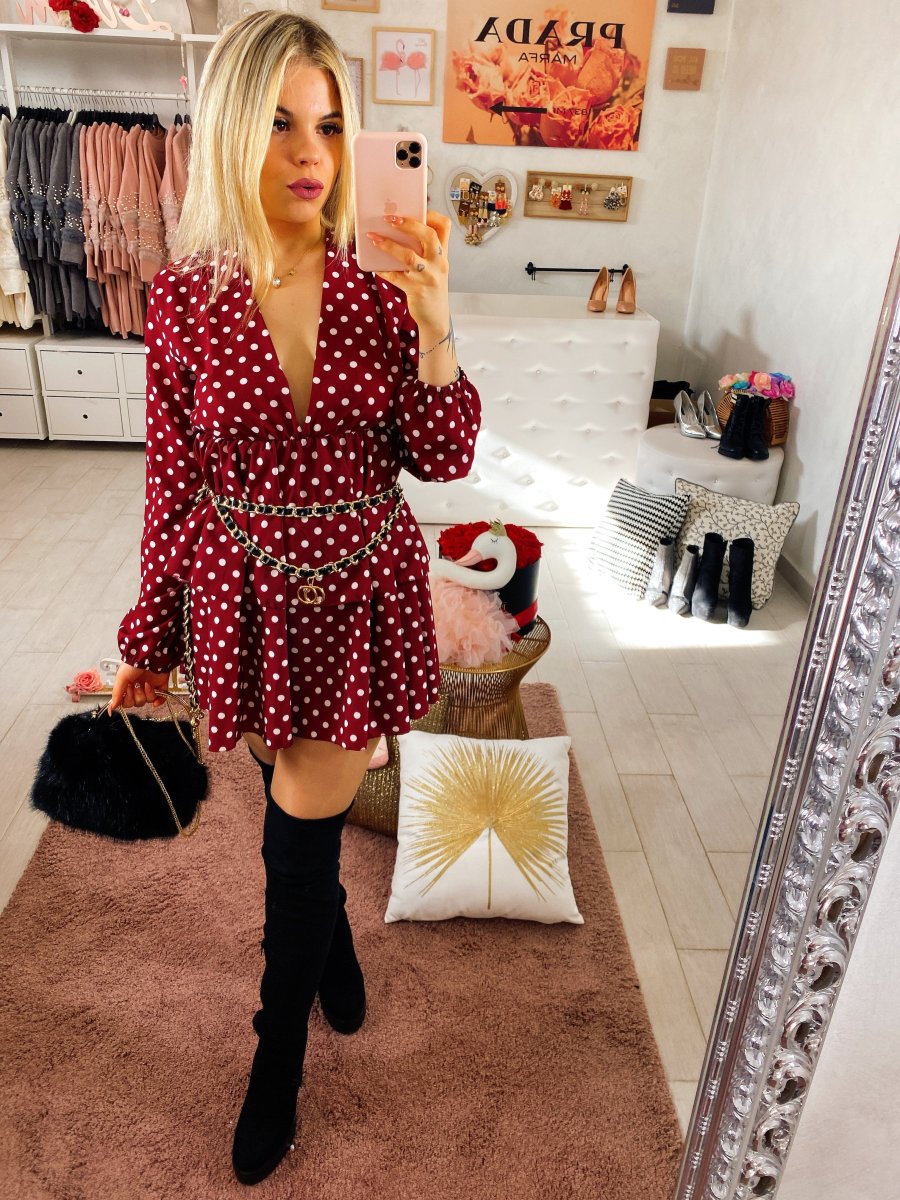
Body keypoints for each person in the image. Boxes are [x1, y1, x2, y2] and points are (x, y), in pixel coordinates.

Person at [108, 10, 481, 1187]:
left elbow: (444, 456)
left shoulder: (384, 282)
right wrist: (149, 634)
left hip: (358, 591)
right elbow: (172, 484)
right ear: (231, 129)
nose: (309, 152)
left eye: (327, 124)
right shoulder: (185, 297)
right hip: (241, 599)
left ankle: (277, 1061)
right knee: (288, 789)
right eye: (278, 122)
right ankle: (335, 957)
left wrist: (437, 330)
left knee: (296, 835)